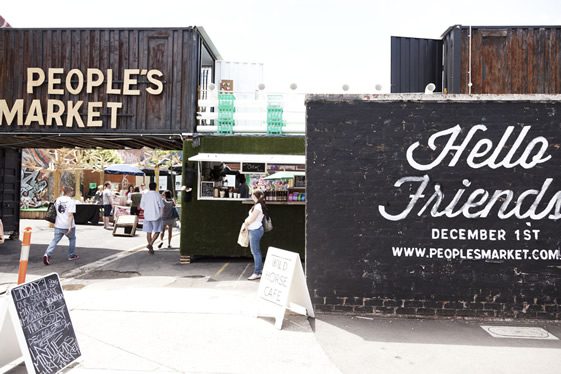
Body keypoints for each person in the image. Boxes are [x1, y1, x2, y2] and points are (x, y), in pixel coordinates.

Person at [43, 186, 79, 265]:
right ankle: (71, 255)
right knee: (72, 239)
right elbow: (70, 215)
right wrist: (69, 226)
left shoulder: (58, 199)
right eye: (72, 191)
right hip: (68, 224)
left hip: (58, 224)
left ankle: (47, 254)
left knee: (55, 240)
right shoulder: (71, 201)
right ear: (70, 192)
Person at [243, 190, 266, 280]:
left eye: (252, 195)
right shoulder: (258, 205)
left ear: (255, 196)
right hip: (255, 229)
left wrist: (245, 223)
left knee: (255, 252)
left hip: (255, 230)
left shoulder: (258, 206)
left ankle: (257, 272)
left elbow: (252, 218)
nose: (251, 196)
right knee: (256, 251)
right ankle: (259, 270)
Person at [140, 182, 164, 254]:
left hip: (147, 215)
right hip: (156, 215)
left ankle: (150, 250)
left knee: (149, 232)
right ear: (156, 187)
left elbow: (142, 206)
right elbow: (161, 206)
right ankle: (150, 244)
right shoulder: (157, 195)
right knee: (157, 231)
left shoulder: (145, 195)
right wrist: (161, 215)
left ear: (149, 187)